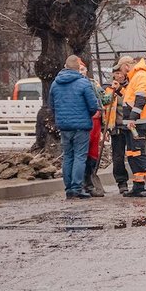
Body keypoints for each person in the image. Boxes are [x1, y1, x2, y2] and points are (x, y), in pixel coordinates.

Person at [49, 55, 100, 199]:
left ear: (65, 66)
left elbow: (51, 105)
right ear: (78, 67)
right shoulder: (84, 83)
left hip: (64, 126)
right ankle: (77, 187)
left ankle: (68, 189)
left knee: (68, 156)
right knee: (79, 156)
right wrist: (87, 115)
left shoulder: (55, 84)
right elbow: (93, 106)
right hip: (81, 125)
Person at [119, 56, 146, 197]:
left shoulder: (140, 76)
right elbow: (131, 98)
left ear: (126, 66)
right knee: (132, 154)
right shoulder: (136, 77)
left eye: (121, 69)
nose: (122, 73)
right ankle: (138, 184)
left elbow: (140, 99)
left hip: (139, 123)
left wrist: (132, 118)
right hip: (135, 123)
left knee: (139, 153)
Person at [80, 62, 109, 197]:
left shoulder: (93, 84)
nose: (81, 72)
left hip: (96, 122)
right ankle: (84, 183)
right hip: (84, 121)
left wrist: (113, 92)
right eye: (79, 69)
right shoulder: (75, 85)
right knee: (82, 152)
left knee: (93, 152)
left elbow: (104, 99)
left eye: (83, 69)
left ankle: (90, 177)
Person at [105, 67, 131, 194]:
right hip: (117, 126)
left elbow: (131, 99)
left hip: (131, 126)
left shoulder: (130, 86)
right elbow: (106, 108)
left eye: (120, 73)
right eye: (116, 73)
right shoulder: (109, 89)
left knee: (134, 155)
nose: (119, 76)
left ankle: (140, 180)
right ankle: (122, 182)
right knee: (118, 157)